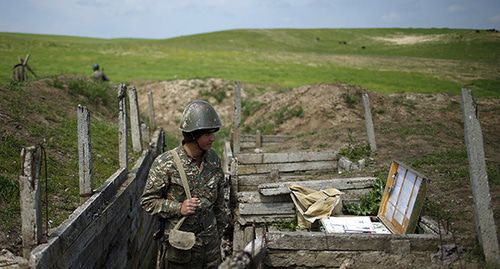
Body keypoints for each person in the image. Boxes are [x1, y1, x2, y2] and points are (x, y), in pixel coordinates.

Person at [141, 100, 229, 269]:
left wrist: (219, 232)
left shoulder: (213, 159)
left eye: (213, 132)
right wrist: (178, 208)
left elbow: (218, 203)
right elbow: (148, 202)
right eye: (207, 134)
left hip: (211, 248)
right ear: (194, 135)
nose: (213, 138)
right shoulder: (165, 163)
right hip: (181, 248)